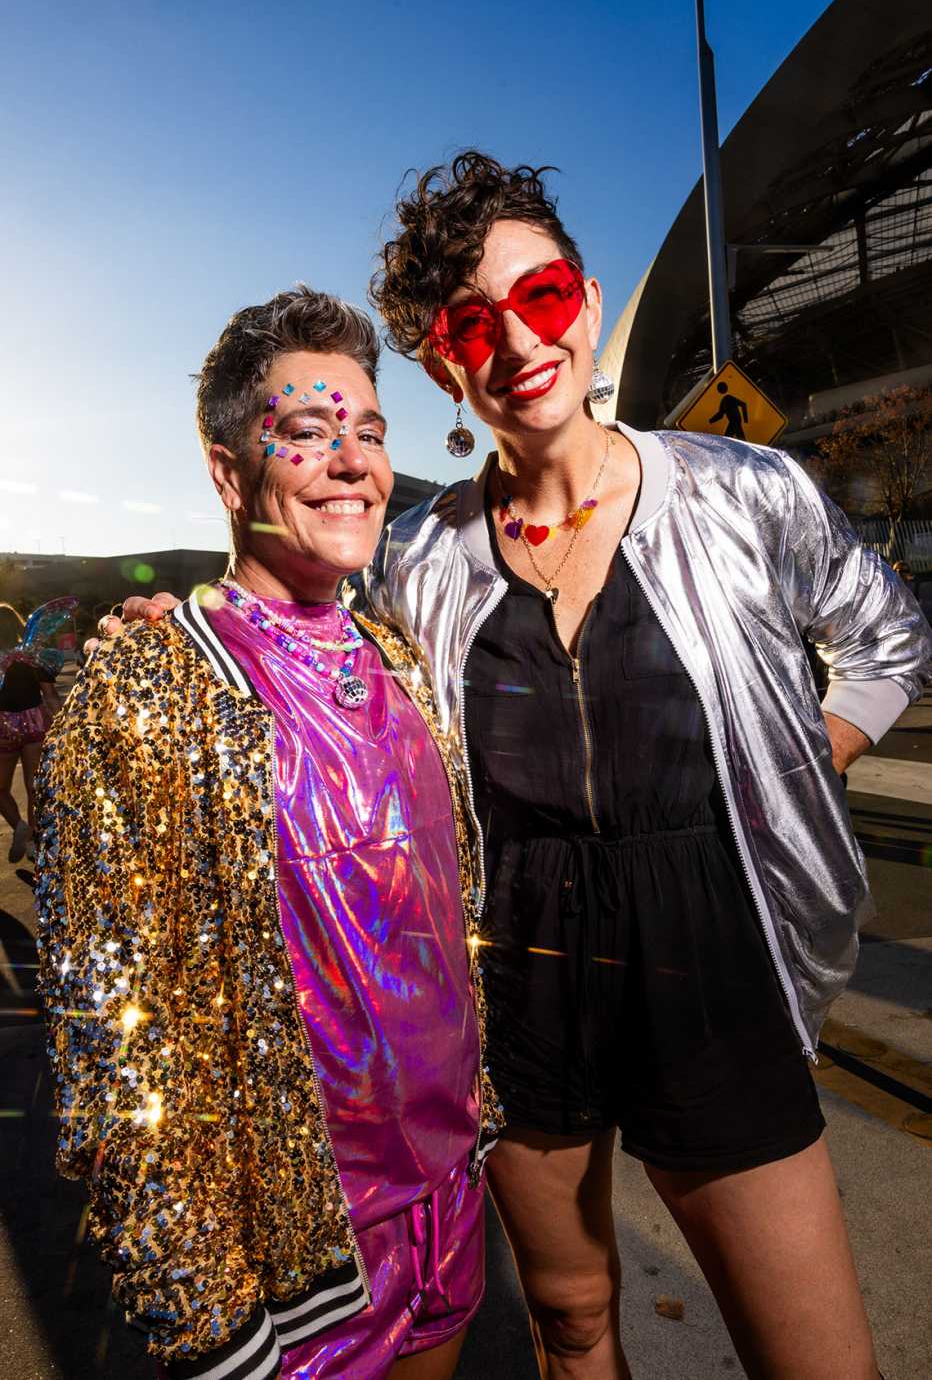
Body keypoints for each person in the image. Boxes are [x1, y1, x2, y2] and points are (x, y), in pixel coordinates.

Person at [111, 155, 928, 1380]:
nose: (516, 341)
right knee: (570, 1316)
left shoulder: (742, 493)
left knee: (814, 1358)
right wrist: (179, 637)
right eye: (468, 326)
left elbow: (888, 638)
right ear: (444, 367)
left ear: (585, 302)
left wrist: (796, 762)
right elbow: (309, 657)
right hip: (515, 972)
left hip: (708, 947)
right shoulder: (418, 558)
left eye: (539, 296)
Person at [36, 288, 502, 1380]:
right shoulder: (146, 688)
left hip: (449, 1200)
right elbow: (113, 1040)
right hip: (298, 1271)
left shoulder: (400, 661)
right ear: (226, 470)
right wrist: (210, 1313)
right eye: (306, 431)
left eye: (369, 432)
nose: (353, 462)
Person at [0, 602, 63, 862]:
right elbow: (50, 696)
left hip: (2, 726)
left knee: (0, 788)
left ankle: (19, 826)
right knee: (34, 786)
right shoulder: (35, 657)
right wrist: (64, 724)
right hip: (35, 723)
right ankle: (34, 843)